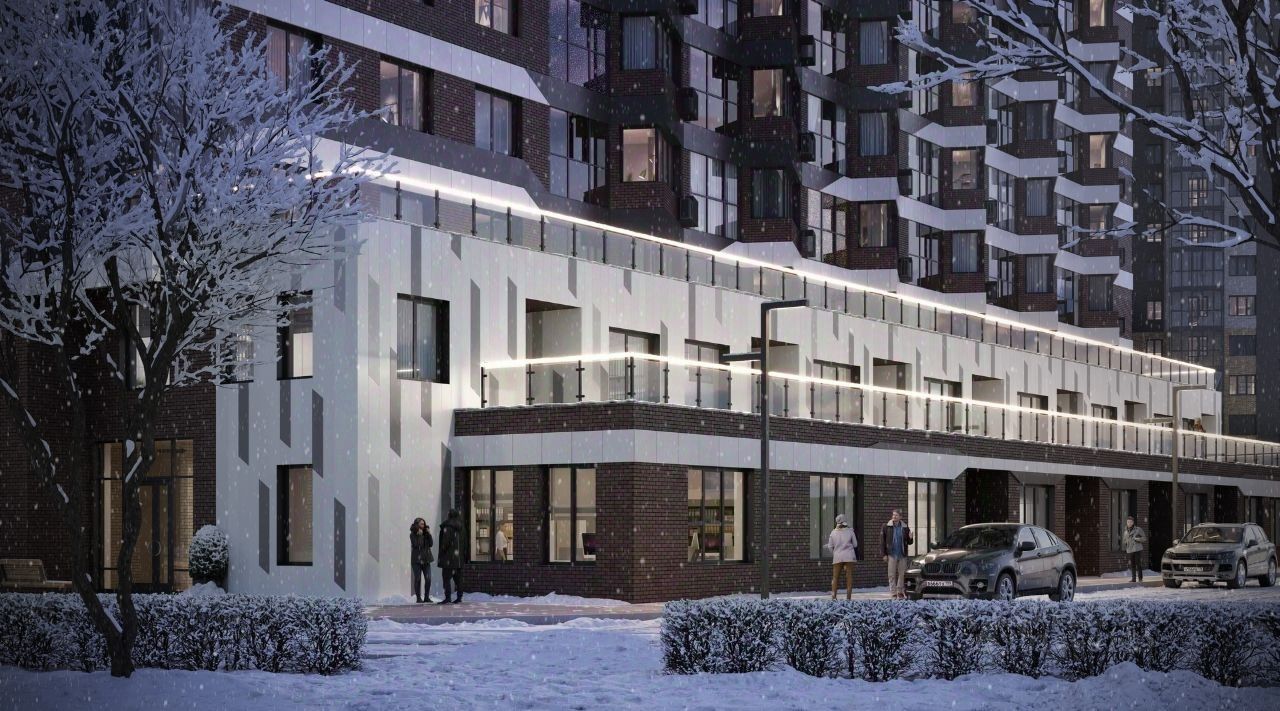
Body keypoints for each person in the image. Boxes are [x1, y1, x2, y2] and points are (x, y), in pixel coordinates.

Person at [881, 509, 913, 600]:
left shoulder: (905, 527)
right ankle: (893, 593)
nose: (894, 516)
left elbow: (909, 542)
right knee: (891, 575)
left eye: (896, 515)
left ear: (900, 517)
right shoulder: (886, 526)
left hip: (902, 554)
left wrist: (911, 538)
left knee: (902, 574)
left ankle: (900, 592)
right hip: (891, 554)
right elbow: (882, 541)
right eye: (893, 515)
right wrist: (884, 554)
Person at [825, 514, 858, 601]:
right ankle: (848, 598)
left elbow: (830, 546)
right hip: (849, 556)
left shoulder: (833, 532)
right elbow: (855, 544)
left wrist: (835, 553)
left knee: (835, 577)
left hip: (837, 557)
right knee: (849, 576)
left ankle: (834, 596)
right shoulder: (850, 531)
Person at [437, 508, 465, 604]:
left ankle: (448, 597)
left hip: (448, 558)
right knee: (458, 579)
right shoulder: (461, 527)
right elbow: (465, 543)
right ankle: (459, 597)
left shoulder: (447, 526)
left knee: (446, 578)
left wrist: (442, 552)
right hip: (459, 559)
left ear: (449, 515)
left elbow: (445, 542)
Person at [410, 518, 434, 603]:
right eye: (421, 524)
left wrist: (429, 534)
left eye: (423, 524)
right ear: (417, 525)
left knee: (428, 579)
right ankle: (418, 598)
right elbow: (417, 545)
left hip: (426, 560)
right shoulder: (413, 534)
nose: (423, 526)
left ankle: (426, 597)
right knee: (418, 578)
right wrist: (419, 535)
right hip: (416, 560)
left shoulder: (426, 533)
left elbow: (431, 544)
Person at [1121, 515, 1147, 583]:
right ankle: (1133, 579)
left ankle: (1140, 578)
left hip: (1137, 549)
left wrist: (1137, 539)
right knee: (1132, 564)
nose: (1129, 523)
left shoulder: (1138, 529)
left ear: (1133, 522)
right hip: (1130, 550)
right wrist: (1126, 542)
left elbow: (1144, 538)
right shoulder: (1125, 531)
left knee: (1138, 564)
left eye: (1130, 522)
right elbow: (1124, 540)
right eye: (1128, 522)